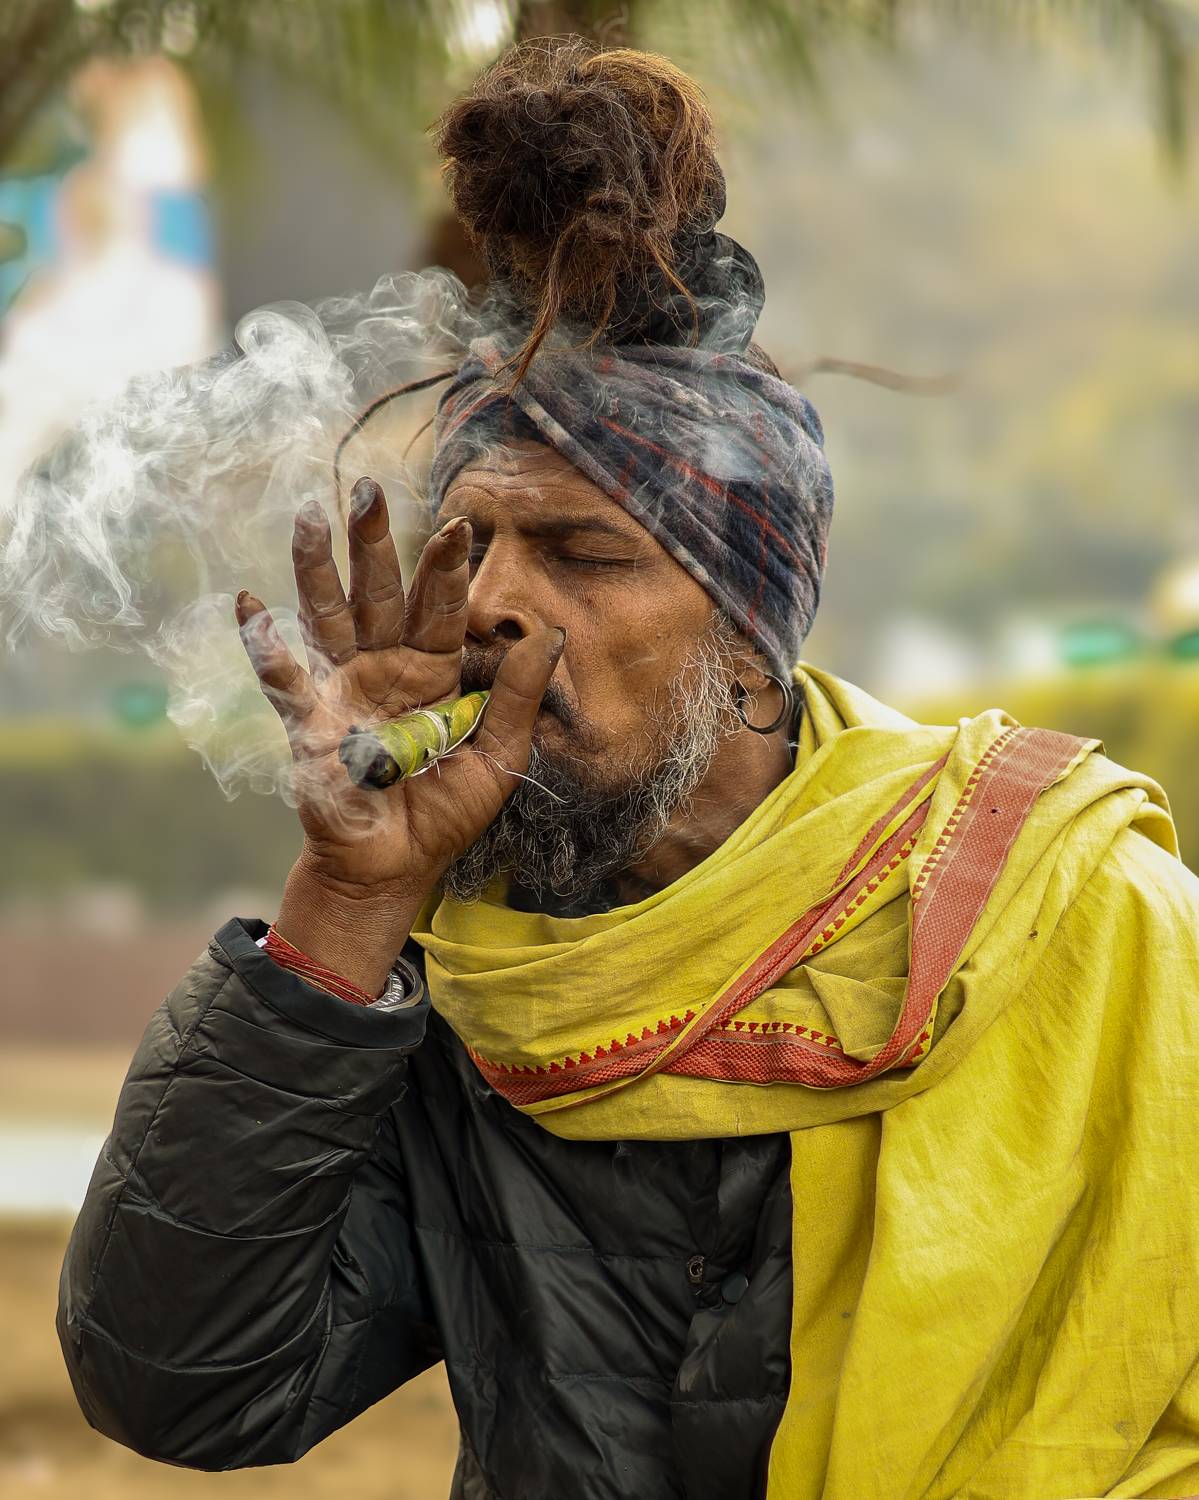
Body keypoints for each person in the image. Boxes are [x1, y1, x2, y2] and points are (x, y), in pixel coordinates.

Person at [57, 39, 1199, 1500]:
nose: (493, 604)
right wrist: (345, 907)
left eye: (585, 553)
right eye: (471, 544)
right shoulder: (456, 973)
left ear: (746, 637)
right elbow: (181, 1386)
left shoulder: (1065, 911)